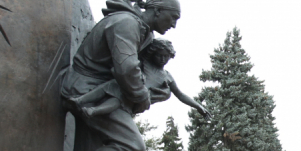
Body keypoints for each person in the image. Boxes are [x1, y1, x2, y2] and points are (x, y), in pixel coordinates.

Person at [55, 0, 181, 151]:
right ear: (158, 11)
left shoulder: (144, 31)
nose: (173, 25)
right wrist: (142, 96)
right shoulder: (126, 23)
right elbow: (126, 68)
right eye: (173, 17)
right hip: (87, 91)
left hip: (100, 91)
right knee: (132, 145)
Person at [74, 39, 210, 122]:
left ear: (170, 56)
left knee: (120, 100)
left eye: (166, 56)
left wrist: (198, 106)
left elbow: (180, 95)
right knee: (111, 86)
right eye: (160, 56)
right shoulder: (145, 61)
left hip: (138, 98)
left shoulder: (167, 76)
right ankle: (80, 100)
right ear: (153, 53)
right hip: (129, 86)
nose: (163, 59)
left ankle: (93, 111)